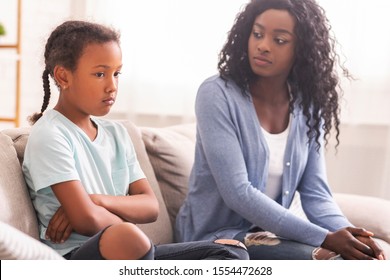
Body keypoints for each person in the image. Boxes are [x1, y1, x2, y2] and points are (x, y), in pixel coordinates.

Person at [175, 0, 386, 260]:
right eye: (258, 34)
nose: (263, 45)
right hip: (214, 238)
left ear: (302, 49)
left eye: (280, 40)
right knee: (325, 257)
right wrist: (325, 238)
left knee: (357, 257)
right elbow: (238, 193)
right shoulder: (217, 94)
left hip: (269, 235)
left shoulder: (308, 105)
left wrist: (348, 234)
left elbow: (316, 193)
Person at [22, 20, 249, 260]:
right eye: (100, 74)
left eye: (116, 73)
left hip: (135, 251)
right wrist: (121, 220)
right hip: (79, 255)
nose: (112, 86)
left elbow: (150, 208)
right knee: (127, 236)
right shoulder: (50, 135)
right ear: (63, 76)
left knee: (233, 253)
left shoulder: (117, 134)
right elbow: (86, 220)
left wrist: (95, 200)